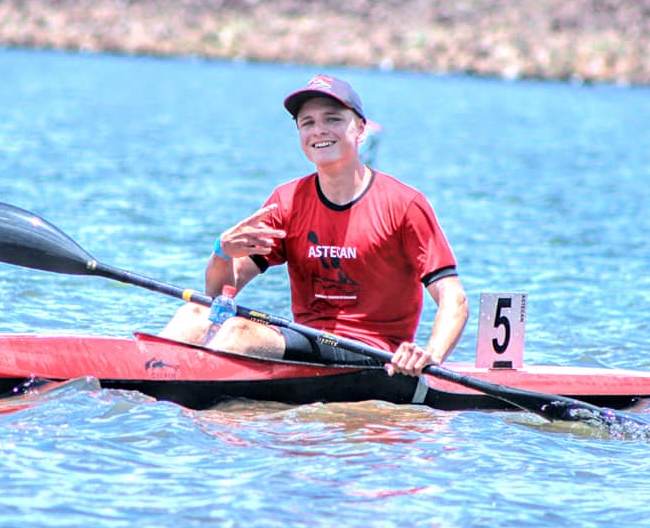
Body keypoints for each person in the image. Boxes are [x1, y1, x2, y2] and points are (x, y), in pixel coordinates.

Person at [160, 74, 468, 377]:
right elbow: (218, 294)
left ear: (360, 130)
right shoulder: (287, 200)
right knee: (193, 314)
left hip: (374, 352)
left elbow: (454, 299)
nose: (319, 130)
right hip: (306, 338)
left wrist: (431, 356)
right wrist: (222, 253)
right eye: (308, 123)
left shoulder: (404, 204)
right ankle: (155, 387)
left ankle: (187, 389)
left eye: (332, 119)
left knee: (238, 332)